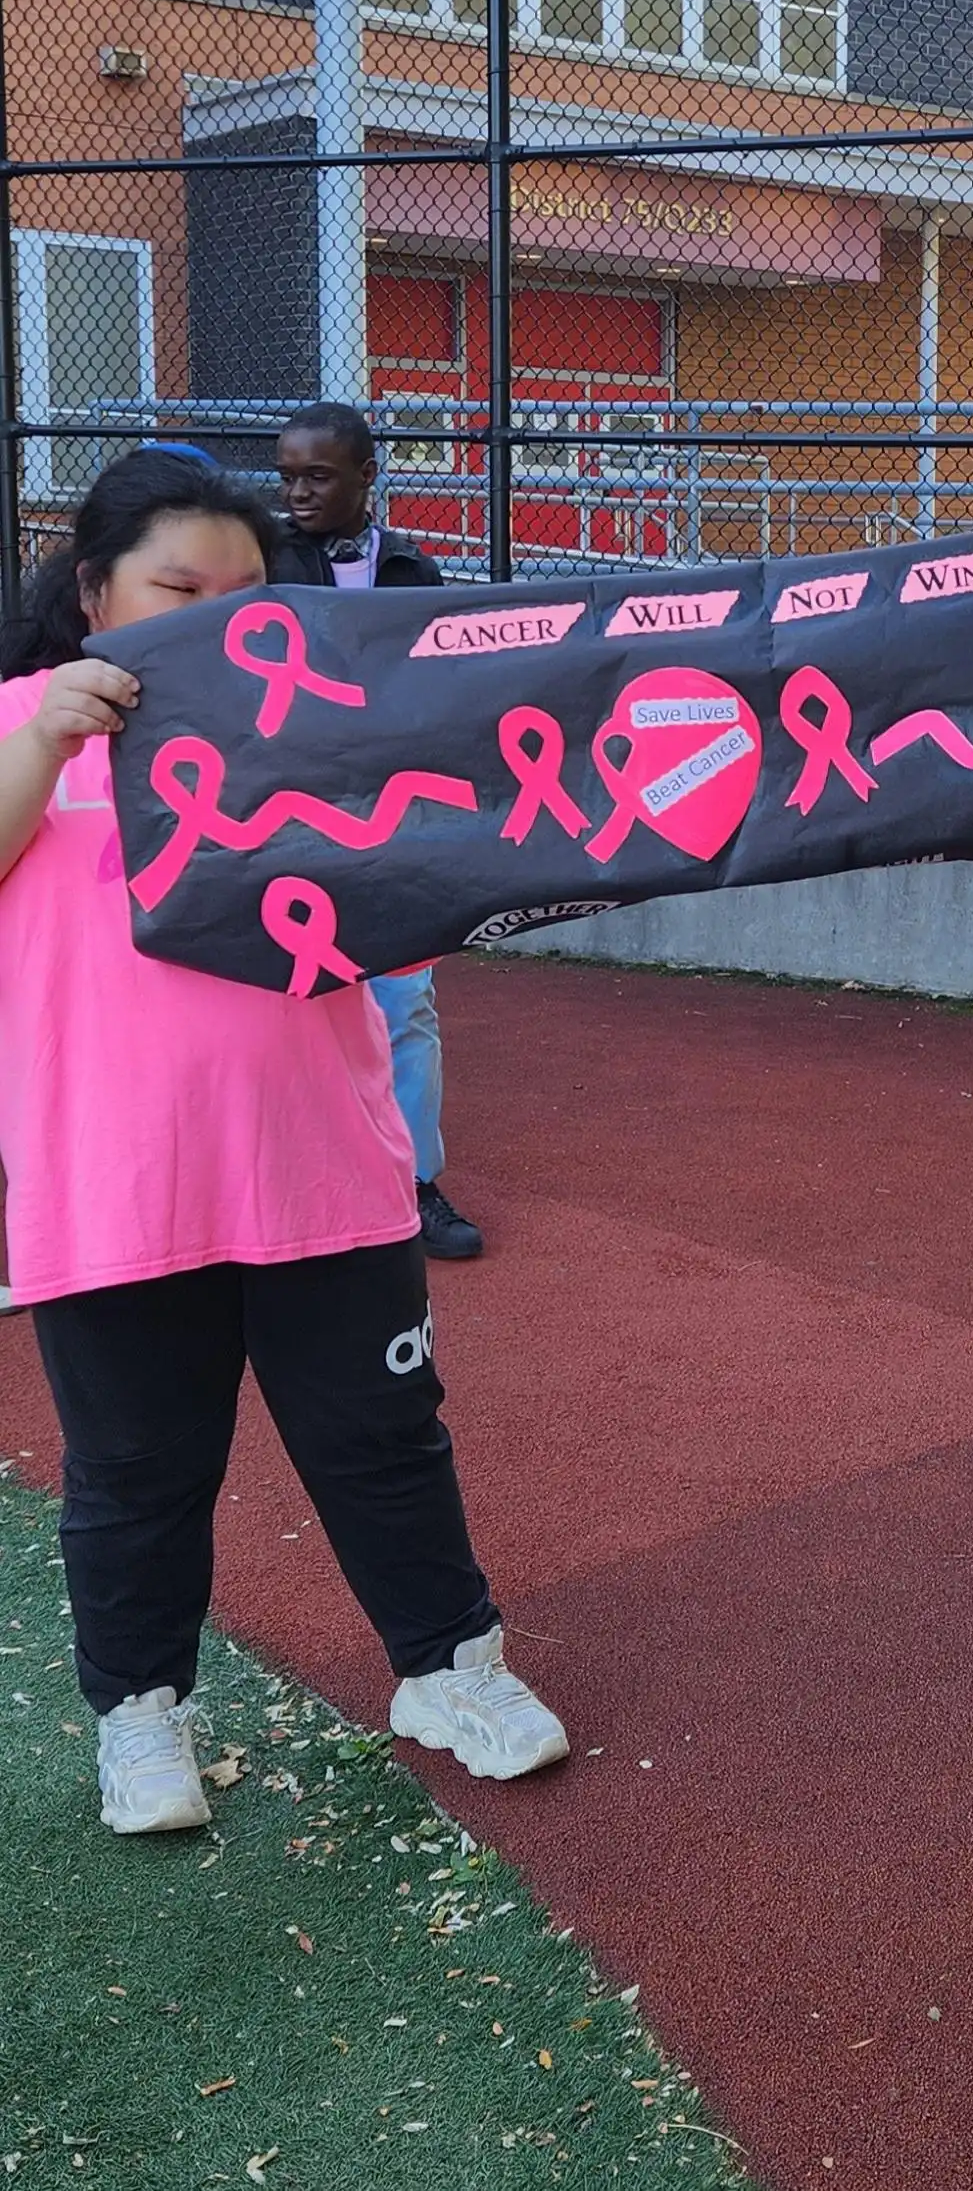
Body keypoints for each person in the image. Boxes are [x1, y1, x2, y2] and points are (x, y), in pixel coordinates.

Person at [0, 448, 566, 1834]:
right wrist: (42, 742)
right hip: (115, 1188)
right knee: (134, 1469)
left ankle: (449, 1667)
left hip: (321, 1170)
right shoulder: (23, 720)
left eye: (242, 592)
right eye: (174, 588)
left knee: (384, 1440)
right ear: (93, 593)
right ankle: (141, 1716)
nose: (211, 617)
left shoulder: (325, 723)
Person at [272, 402, 483, 1264]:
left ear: (367, 474)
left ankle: (413, 1182)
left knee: (404, 1001)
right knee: (283, 1002)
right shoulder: (261, 566)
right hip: (288, 818)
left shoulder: (411, 570)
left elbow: (445, 689)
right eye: (286, 475)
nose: (297, 493)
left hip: (394, 821)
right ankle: (292, 1185)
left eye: (317, 476)